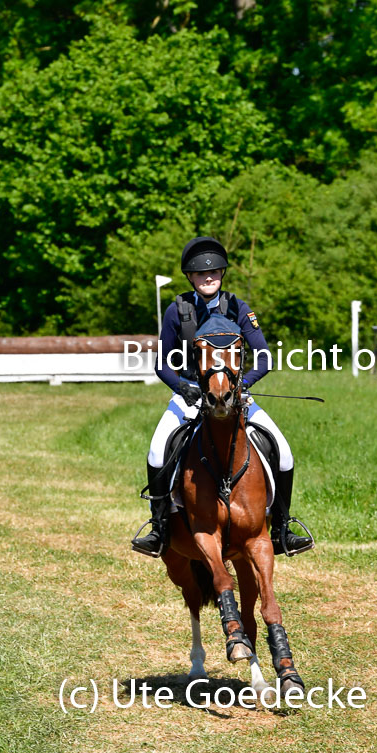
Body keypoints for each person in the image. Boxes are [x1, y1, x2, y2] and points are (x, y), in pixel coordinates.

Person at [131, 235, 314, 559]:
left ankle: (282, 528)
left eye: (215, 272)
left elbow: (263, 357)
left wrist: (244, 386)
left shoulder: (238, 308)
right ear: (191, 277)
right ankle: (159, 528)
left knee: (283, 451)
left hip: (235, 396)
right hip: (190, 396)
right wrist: (183, 388)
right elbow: (162, 364)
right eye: (202, 274)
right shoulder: (178, 310)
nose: (209, 277)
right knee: (157, 450)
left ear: (222, 273)